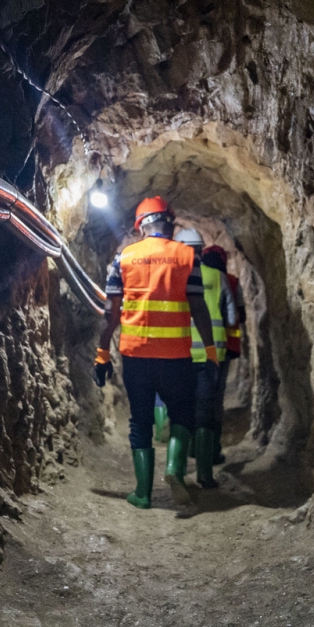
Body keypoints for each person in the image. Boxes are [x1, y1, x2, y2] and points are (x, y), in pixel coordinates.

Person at [93, 197, 217, 509]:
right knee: (183, 413)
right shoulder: (188, 257)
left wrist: (102, 354)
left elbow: (110, 313)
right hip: (176, 355)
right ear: (169, 222)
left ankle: (143, 494)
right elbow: (198, 306)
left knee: (141, 422)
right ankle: (175, 469)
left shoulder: (123, 258)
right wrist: (211, 350)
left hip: (136, 355)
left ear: (141, 225)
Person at [172, 229, 235, 489]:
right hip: (211, 353)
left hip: (179, 353)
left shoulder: (172, 275)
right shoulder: (219, 277)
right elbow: (231, 319)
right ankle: (205, 474)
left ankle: (175, 470)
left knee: (180, 412)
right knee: (206, 412)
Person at [204, 245, 243, 465]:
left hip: (191, 348)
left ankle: (194, 448)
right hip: (222, 347)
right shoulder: (230, 281)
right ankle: (212, 450)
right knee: (215, 399)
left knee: (194, 398)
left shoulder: (192, 277)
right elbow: (237, 316)